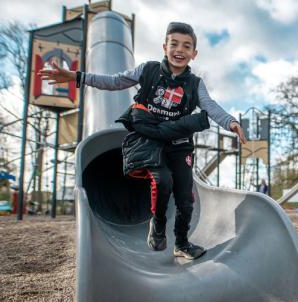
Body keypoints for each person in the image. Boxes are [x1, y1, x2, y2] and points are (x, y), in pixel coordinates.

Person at [40, 22, 246, 260]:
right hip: (150, 139)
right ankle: (157, 223)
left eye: (186, 46)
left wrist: (231, 123)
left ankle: (181, 243)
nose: (180, 50)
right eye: (174, 44)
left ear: (194, 53)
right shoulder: (148, 71)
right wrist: (78, 76)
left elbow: (210, 107)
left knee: (186, 198)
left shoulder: (195, 84)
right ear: (164, 47)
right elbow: (115, 81)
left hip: (178, 142)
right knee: (162, 181)